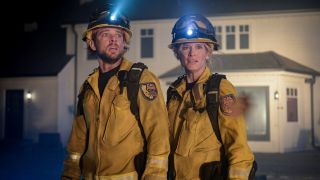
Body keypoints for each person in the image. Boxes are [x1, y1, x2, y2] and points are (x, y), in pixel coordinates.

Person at [61, 6, 170, 180]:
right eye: (106, 34)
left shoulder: (141, 79)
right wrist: (69, 175)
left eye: (118, 35)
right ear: (92, 42)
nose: (114, 40)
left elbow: (159, 135)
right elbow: (77, 140)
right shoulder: (88, 87)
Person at [166, 14, 255, 179]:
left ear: (208, 53)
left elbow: (239, 148)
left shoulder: (221, 90)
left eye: (199, 47)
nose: (192, 53)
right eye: (186, 47)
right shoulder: (174, 93)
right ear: (177, 53)